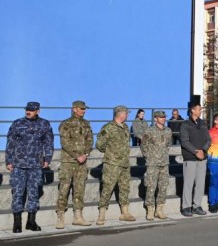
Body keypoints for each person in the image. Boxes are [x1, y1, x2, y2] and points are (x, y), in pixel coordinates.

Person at [5, 101, 53, 233]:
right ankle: (17, 223)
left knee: (33, 193)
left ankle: (31, 222)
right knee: (18, 193)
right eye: (27, 109)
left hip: (35, 165)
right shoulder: (17, 123)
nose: (28, 112)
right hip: (18, 164)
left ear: (38, 111)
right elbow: (10, 143)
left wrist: (47, 159)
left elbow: (48, 142)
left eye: (31, 110)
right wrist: (8, 161)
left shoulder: (44, 124)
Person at [56, 100, 93, 228]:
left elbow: (90, 140)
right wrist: (77, 156)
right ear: (74, 109)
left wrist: (86, 154)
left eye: (84, 109)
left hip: (82, 162)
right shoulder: (66, 124)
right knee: (64, 189)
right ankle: (60, 216)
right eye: (81, 109)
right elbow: (65, 142)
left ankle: (78, 216)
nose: (84, 111)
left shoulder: (86, 124)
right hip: (68, 161)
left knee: (79, 189)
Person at [95, 105, 135, 225]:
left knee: (124, 188)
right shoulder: (108, 127)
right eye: (126, 113)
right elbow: (100, 144)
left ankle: (125, 212)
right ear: (121, 114)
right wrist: (110, 154)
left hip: (124, 163)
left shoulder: (126, 127)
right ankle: (101, 214)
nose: (127, 115)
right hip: (112, 163)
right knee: (107, 188)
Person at [140, 111, 172, 221]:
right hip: (152, 163)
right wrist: (148, 157)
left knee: (163, 187)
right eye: (160, 117)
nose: (163, 119)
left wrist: (162, 155)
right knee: (151, 186)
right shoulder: (149, 131)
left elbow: (168, 145)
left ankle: (159, 209)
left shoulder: (168, 131)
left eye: (164, 117)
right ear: (155, 119)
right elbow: (143, 145)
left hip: (164, 163)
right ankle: (150, 210)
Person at [179, 103, 210, 217]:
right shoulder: (185, 125)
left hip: (202, 158)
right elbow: (185, 141)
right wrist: (196, 151)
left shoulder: (203, 124)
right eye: (198, 109)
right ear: (192, 110)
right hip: (190, 158)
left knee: (200, 183)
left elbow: (208, 140)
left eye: (201, 108)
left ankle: (197, 205)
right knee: (188, 183)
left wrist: (203, 150)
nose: (200, 110)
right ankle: (186, 206)